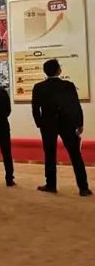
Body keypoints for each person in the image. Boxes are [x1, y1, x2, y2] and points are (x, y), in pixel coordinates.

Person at [31, 59, 91, 196]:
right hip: (68, 123)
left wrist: (40, 123)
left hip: (48, 124)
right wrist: (79, 123)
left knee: (50, 155)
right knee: (75, 155)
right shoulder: (68, 85)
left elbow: (35, 109)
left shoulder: (39, 87)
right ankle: (83, 187)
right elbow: (76, 106)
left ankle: (51, 185)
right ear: (58, 70)